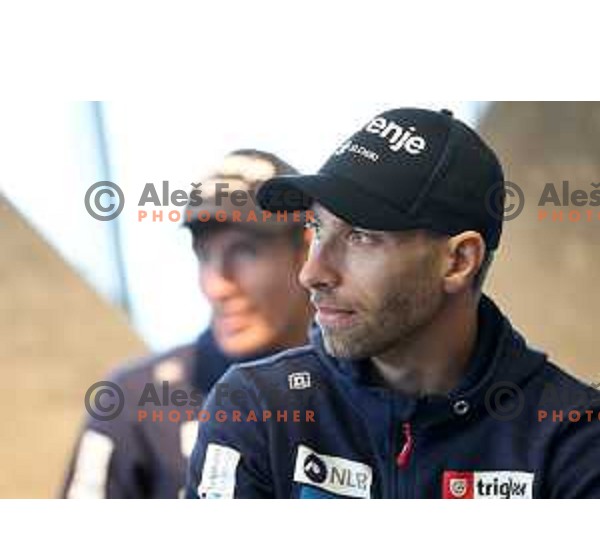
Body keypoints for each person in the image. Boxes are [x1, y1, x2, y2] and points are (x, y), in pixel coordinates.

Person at [186, 108, 600, 499]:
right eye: (318, 227)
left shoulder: (573, 435)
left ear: (458, 261)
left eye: (360, 236)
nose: (312, 273)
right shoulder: (258, 407)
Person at [62, 149, 312, 498]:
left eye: (244, 251)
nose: (216, 286)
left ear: (307, 248)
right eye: (204, 255)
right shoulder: (134, 398)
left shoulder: (375, 384)